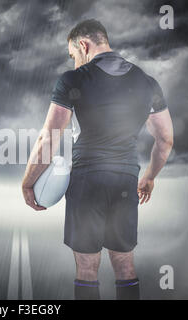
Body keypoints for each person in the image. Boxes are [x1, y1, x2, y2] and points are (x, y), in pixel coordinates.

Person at [21, 19, 174, 300]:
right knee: (125, 265)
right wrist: (150, 177)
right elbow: (165, 140)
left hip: (87, 182)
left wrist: (28, 182)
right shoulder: (147, 82)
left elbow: (49, 137)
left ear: (83, 45)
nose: (75, 61)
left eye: (73, 55)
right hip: (125, 180)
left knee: (87, 267)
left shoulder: (74, 79)